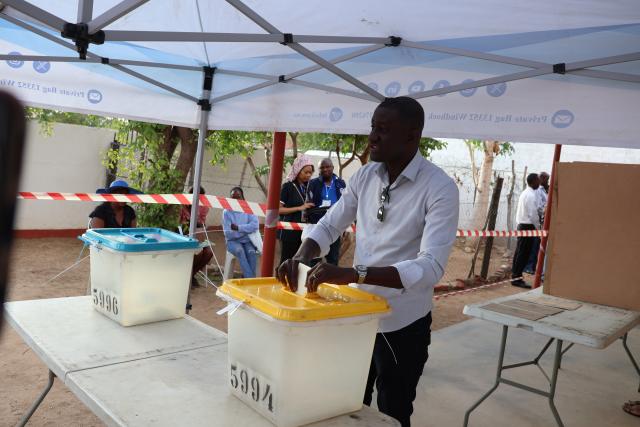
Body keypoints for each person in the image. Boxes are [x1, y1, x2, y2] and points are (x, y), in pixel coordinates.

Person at [276, 97, 459, 427]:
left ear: (411, 135)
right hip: (357, 315)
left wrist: (352, 273)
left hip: (401, 324)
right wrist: (301, 256)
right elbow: (331, 224)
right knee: (346, 402)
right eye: (373, 127)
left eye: (383, 130)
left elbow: (431, 266)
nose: (372, 137)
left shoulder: (439, 187)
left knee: (392, 411)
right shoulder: (365, 177)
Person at [307, 158, 346, 265]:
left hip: (335, 226)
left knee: (333, 259)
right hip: (317, 226)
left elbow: (345, 204)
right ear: (318, 170)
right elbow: (309, 203)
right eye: (322, 167)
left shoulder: (340, 183)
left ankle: (331, 281)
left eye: (327, 166)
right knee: (314, 259)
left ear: (332, 167)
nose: (325, 169)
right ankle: (311, 281)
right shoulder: (313, 183)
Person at [278, 154, 315, 265]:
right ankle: (281, 282)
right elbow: (279, 210)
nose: (308, 175)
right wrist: (300, 208)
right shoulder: (288, 186)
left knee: (300, 263)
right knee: (286, 261)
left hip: (304, 231)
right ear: (298, 170)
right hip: (289, 232)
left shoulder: (309, 187)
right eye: (305, 172)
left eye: (310, 172)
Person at [180, 186, 213, 288]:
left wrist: (197, 224)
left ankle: (191, 275)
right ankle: (187, 277)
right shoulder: (182, 206)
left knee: (208, 253)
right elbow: (181, 225)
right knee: (198, 254)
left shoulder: (203, 207)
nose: (199, 200)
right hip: (184, 237)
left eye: (201, 198)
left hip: (199, 236)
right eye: (197, 197)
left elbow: (202, 224)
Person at [511, 173, 541, 288]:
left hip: (523, 225)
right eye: (537, 181)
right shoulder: (530, 195)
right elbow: (533, 215)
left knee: (520, 252)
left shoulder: (526, 193)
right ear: (533, 181)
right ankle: (516, 278)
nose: (539, 183)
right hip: (527, 226)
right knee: (523, 253)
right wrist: (538, 229)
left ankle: (516, 275)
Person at [223, 187, 259, 278]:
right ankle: (251, 279)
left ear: (243, 198)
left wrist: (238, 228)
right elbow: (228, 233)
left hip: (247, 241)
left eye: (238, 197)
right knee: (240, 251)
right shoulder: (226, 212)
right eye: (233, 197)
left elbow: (255, 225)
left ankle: (248, 278)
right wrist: (246, 230)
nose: (235, 200)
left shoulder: (248, 209)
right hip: (232, 242)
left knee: (251, 252)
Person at [524, 171, 549, 274]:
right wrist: (544, 210)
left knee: (537, 245)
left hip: (539, 220)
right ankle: (529, 266)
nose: (547, 181)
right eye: (546, 179)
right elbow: (537, 208)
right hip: (536, 221)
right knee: (533, 245)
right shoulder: (537, 191)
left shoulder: (545, 190)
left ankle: (532, 266)